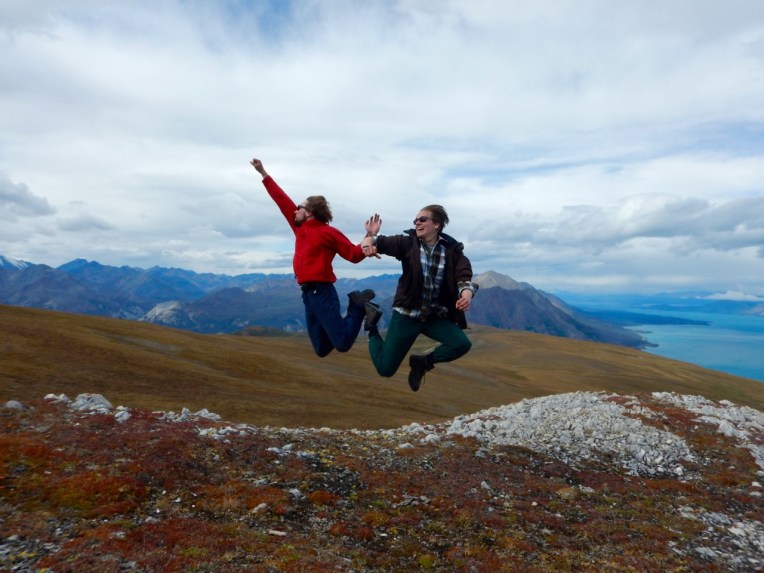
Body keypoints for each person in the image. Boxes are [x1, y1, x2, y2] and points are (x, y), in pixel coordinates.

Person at [250, 157, 381, 357]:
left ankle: (358, 306)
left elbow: (353, 255)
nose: (295, 210)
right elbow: (280, 199)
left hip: (322, 292)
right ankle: (355, 307)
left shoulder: (328, 232)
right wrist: (263, 173)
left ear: (309, 212)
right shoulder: (299, 227)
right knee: (321, 349)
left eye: (300, 207)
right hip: (307, 294)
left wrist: (370, 236)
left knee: (343, 343)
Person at [360, 205, 477, 391]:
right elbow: (373, 242)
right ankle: (371, 326)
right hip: (406, 315)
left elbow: (464, 276)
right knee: (385, 369)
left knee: (461, 344)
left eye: (423, 219)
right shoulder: (407, 244)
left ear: (437, 224)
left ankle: (422, 362)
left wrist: (467, 294)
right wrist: (368, 239)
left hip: (432, 316)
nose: (417, 223)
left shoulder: (452, 251)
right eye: (415, 220)